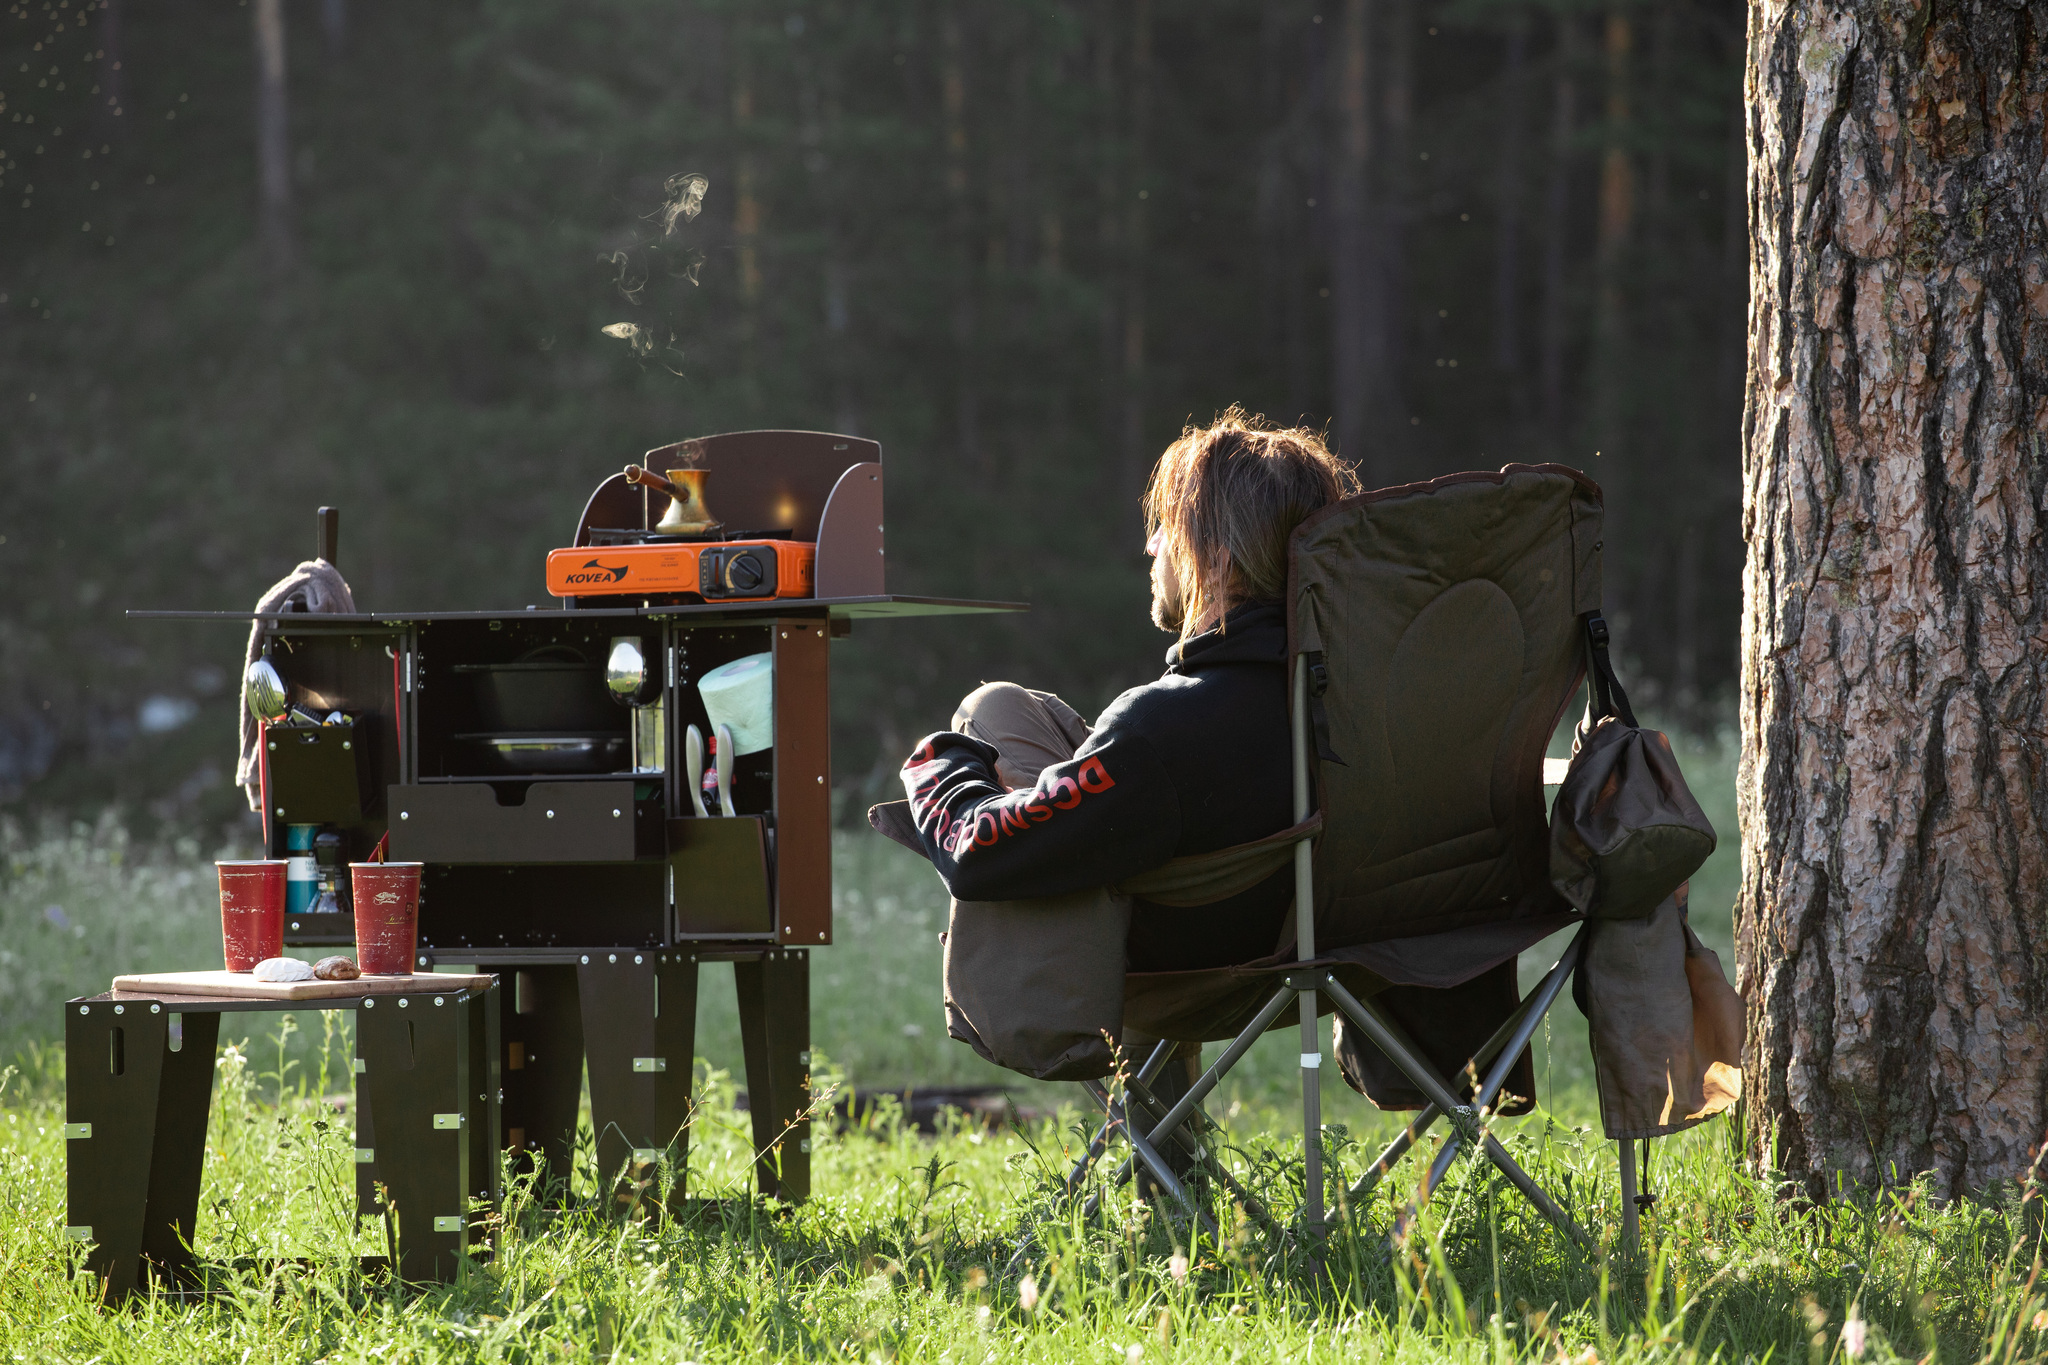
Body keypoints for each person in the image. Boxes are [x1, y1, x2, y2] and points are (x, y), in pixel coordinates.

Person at [898, 407, 1359, 972]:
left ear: (1216, 564)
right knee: (1004, 707)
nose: (1152, 546)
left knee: (984, 722)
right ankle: (1049, 803)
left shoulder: (1161, 725)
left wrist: (940, 761)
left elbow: (976, 856)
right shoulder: (1355, 691)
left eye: (1167, 527)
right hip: (1331, 937)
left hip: (1181, 963)